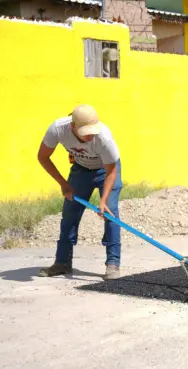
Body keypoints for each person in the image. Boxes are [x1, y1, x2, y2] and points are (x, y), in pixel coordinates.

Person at [37, 104, 123, 279]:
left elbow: (111, 172)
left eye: (93, 131)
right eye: (86, 132)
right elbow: (42, 156)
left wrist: (103, 200)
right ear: (73, 127)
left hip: (105, 171)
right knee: (69, 214)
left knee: (110, 213)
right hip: (81, 169)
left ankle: (113, 264)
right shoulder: (58, 129)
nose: (91, 136)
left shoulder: (104, 138)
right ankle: (62, 263)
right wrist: (64, 184)